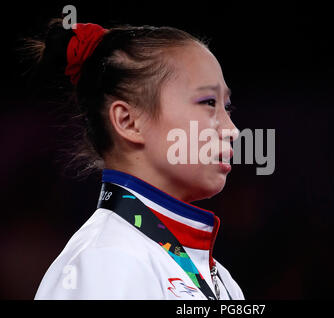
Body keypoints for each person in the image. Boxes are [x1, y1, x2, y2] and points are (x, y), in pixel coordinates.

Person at [27, 18, 244, 300]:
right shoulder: (105, 261)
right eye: (208, 103)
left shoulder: (220, 280)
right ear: (129, 121)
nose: (231, 129)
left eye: (226, 107)